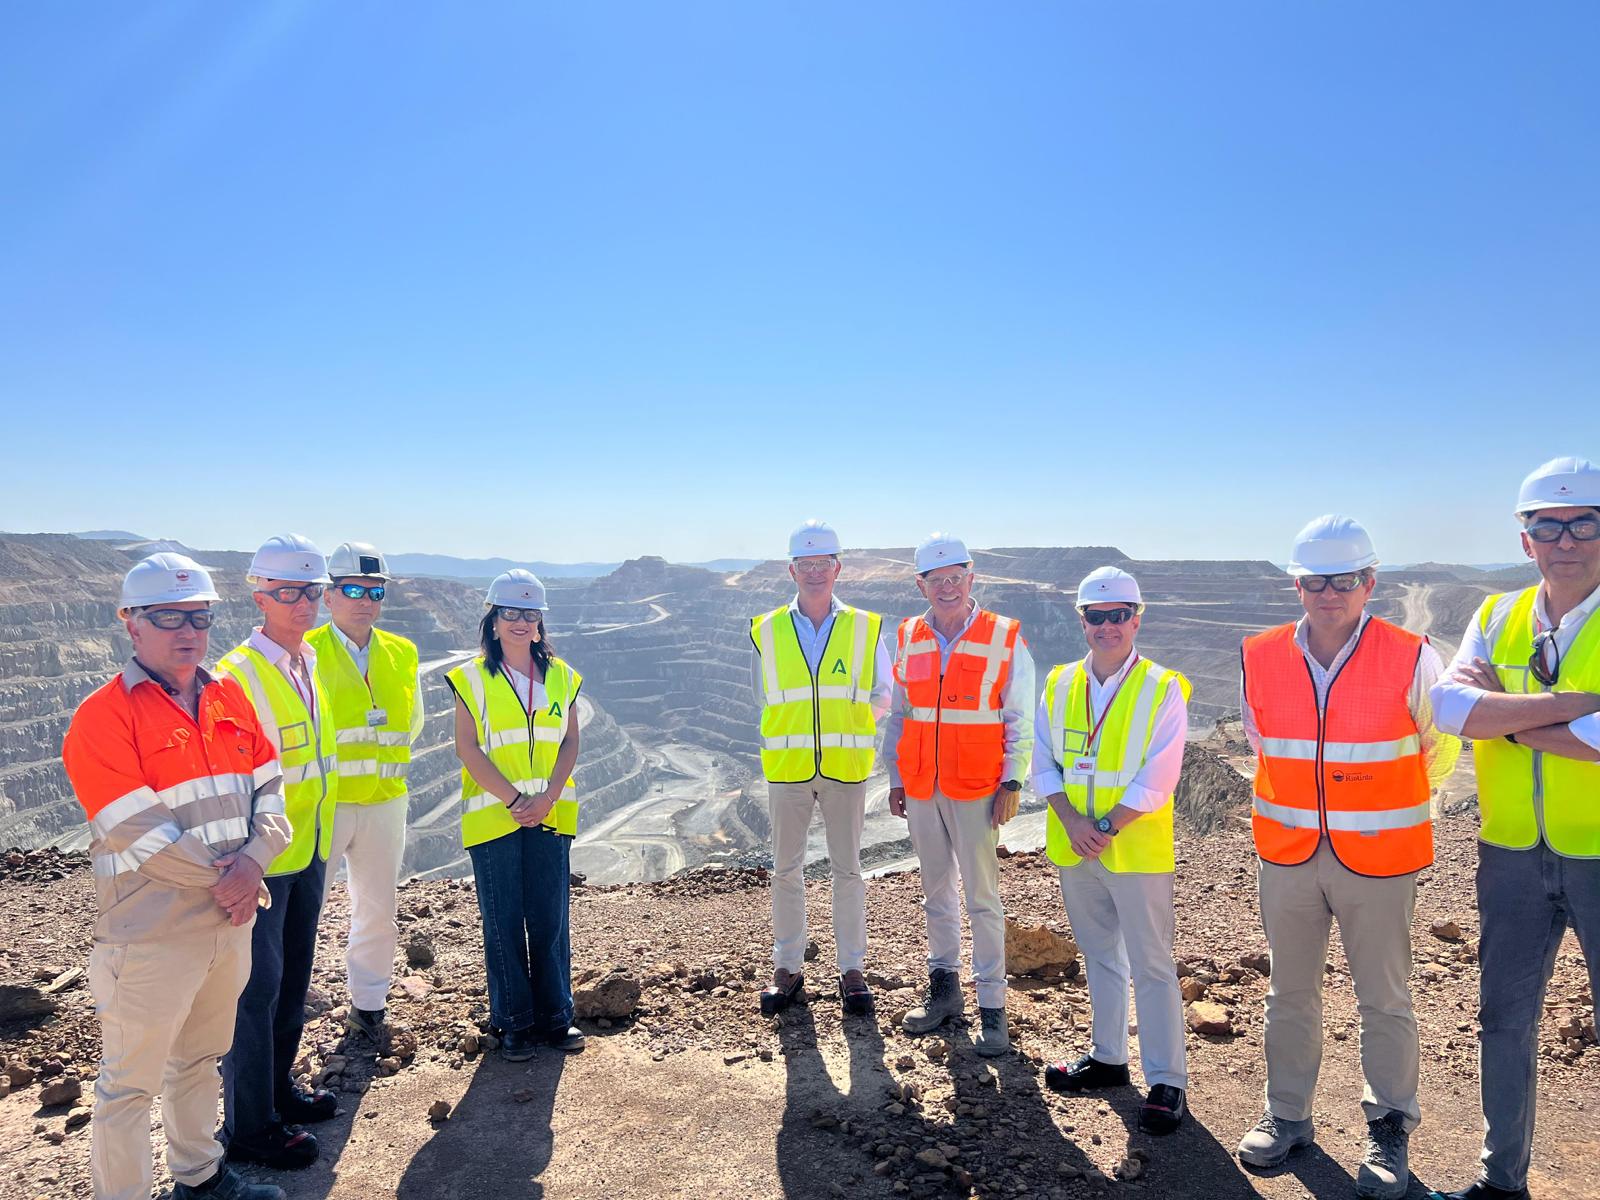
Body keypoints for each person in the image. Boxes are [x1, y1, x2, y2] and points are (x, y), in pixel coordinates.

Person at [1236, 515, 1458, 1200]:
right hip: (1289, 853)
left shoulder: (1411, 653)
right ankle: (1289, 1115)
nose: (1329, 593)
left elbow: (1440, 746)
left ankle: (1389, 1126)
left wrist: (1383, 805)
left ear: (1369, 582)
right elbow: (1262, 742)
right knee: (1288, 994)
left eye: (1345, 580)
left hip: (1382, 856)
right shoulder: (1262, 654)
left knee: (1384, 999)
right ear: (1297, 585)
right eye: (1315, 581)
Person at [62, 553, 289, 1200]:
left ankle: (200, 1178)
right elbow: (137, 832)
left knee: (197, 1060)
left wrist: (253, 862)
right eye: (168, 617)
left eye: (199, 616)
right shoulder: (104, 717)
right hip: (153, 933)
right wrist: (233, 880)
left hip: (229, 921)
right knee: (129, 1084)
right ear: (130, 623)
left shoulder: (229, 697)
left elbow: (272, 791)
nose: (188, 630)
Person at [1427, 457, 1600, 1200]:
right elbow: (1449, 710)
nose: (1566, 539)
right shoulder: (1496, 616)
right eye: (1547, 525)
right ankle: (1501, 1185)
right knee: (1502, 1022)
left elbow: (1484, 717)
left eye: (1584, 522)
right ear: (1525, 538)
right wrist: (1574, 707)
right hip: (1509, 856)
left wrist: (1512, 722)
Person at [1034, 567, 1191, 1136]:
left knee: (1151, 964)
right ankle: (1108, 1059)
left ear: (1137, 617)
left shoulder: (1161, 687)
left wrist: (1102, 825)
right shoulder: (1059, 683)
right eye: (1096, 617)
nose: (1108, 626)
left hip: (1135, 849)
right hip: (1077, 846)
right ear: (1082, 620)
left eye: (1119, 615)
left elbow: (1160, 774)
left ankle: (1168, 1079)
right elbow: (1042, 761)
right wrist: (1074, 823)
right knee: (1099, 956)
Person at [884, 532, 1035, 1057]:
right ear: (921, 584)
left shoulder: (1004, 636)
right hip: (924, 786)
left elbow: (1019, 717)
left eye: (956, 578)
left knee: (982, 899)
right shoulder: (907, 635)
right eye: (936, 580)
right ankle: (945, 991)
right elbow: (900, 716)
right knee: (936, 895)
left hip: (976, 789)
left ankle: (993, 1010)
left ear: (971, 579)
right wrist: (896, 777)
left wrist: (1012, 779)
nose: (947, 588)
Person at [218, 535, 339, 1170]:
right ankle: (250, 1126)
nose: (303, 603)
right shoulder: (239, 674)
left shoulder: (308, 661)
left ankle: (277, 1091)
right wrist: (248, 856)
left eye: (313, 591)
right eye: (289, 592)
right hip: (262, 859)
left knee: (292, 981)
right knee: (255, 991)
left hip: (308, 847)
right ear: (260, 594)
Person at [750, 519, 893, 1016]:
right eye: (805, 565)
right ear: (792, 570)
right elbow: (762, 697)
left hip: (845, 768)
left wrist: (847, 726)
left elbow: (884, 694)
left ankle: (851, 970)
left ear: (838, 569)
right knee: (785, 870)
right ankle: (787, 969)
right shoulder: (764, 629)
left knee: (847, 870)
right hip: (788, 769)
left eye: (823, 564)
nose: (815, 572)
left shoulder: (865, 626)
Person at [445, 569, 585, 1060]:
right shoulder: (471, 679)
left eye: (530, 613)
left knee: (550, 919)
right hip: (494, 817)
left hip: (551, 813)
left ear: (540, 621)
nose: (521, 622)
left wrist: (546, 796)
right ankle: (513, 1024)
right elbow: (468, 748)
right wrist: (514, 800)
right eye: (511, 613)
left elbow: (570, 741)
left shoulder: (562, 677)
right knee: (503, 922)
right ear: (494, 620)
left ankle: (556, 1017)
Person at [306, 542, 423, 1040]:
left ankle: (369, 1007)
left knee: (378, 909)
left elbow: (412, 723)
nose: (365, 600)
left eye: (375, 590)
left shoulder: (403, 652)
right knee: (301, 913)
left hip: (383, 802)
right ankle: (277, 1009)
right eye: (353, 589)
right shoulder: (305, 652)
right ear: (329, 596)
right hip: (323, 805)